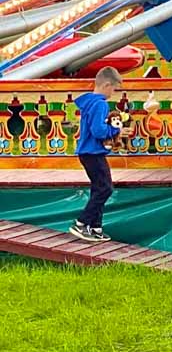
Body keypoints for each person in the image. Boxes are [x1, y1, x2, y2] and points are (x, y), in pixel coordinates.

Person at [69, 66, 133, 243]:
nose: (113, 93)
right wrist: (115, 129)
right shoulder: (100, 104)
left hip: (88, 152)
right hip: (93, 152)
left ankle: (95, 227)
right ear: (106, 85)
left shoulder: (89, 102)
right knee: (105, 188)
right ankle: (82, 223)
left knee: (99, 188)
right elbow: (98, 131)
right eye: (113, 88)